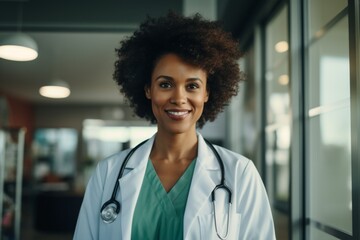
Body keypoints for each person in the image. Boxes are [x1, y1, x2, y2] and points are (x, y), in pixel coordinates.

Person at [73, 12, 276, 240]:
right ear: (148, 89)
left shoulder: (240, 173)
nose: (179, 98)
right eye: (166, 84)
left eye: (192, 86)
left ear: (207, 93)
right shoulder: (107, 174)